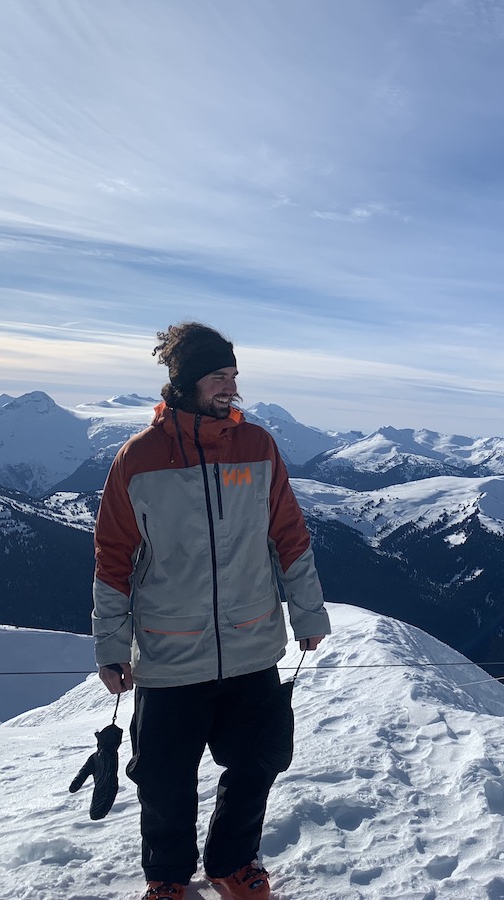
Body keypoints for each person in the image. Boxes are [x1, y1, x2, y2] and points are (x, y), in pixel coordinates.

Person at [92, 322, 330, 900]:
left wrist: (309, 613)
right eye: (217, 377)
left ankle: (233, 863)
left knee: (257, 763)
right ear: (185, 381)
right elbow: (113, 558)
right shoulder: (139, 459)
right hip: (172, 650)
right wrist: (111, 647)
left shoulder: (257, 446)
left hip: (252, 642)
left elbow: (289, 535)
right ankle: (168, 878)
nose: (229, 387)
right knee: (164, 780)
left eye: (233, 376)